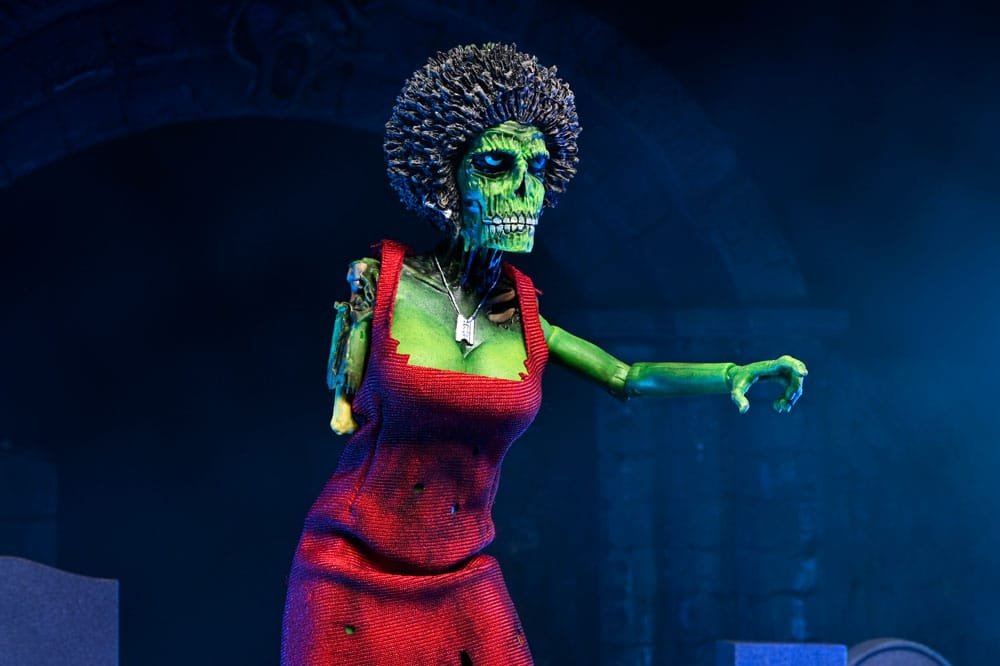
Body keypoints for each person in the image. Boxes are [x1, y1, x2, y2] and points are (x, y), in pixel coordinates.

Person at [281, 42, 807, 666]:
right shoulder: (383, 287)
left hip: (463, 569)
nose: (524, 191)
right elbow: (341, 408)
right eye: (496, 165)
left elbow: (626, 375)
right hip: (349, 563)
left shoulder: (529, 321)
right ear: (445, 177)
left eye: (537, 169)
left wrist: (731, 374)